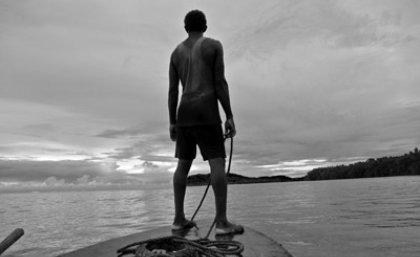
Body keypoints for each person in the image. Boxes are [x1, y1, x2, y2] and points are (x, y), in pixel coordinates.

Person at [168, 10, 243, 235]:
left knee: (182, 164)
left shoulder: (175, 53)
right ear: (205, 27)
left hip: (184, 113)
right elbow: (220, 83)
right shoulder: (213, 46)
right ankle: (221, 223)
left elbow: (173, 90)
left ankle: (179, 218)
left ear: (185, 28)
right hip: (206, 111)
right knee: (217, 163)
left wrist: (172, 121)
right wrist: (229, 116)